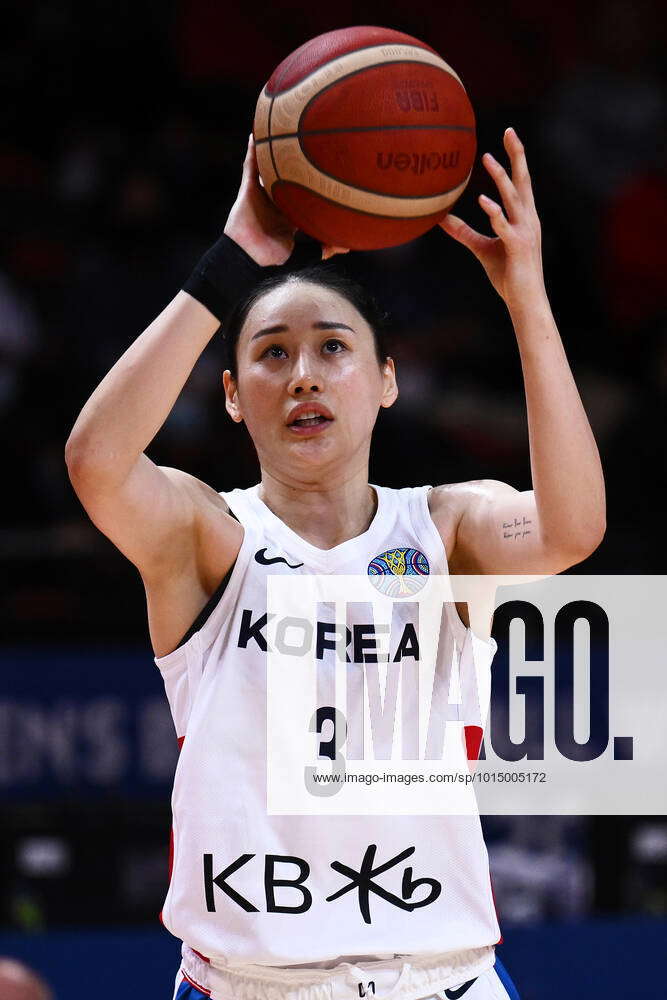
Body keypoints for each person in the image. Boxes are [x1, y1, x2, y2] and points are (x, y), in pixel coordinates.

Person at [65, 128, 605, 1000]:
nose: (303, 376)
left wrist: (526, 301)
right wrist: (235, 257)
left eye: (333, 347)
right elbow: (96, 462)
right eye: (271, 353)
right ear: (233, 398)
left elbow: (572, 527)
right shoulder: (207, 540)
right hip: (250, 983)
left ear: (387, 380)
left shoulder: (447, 527)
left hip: (441, 979)